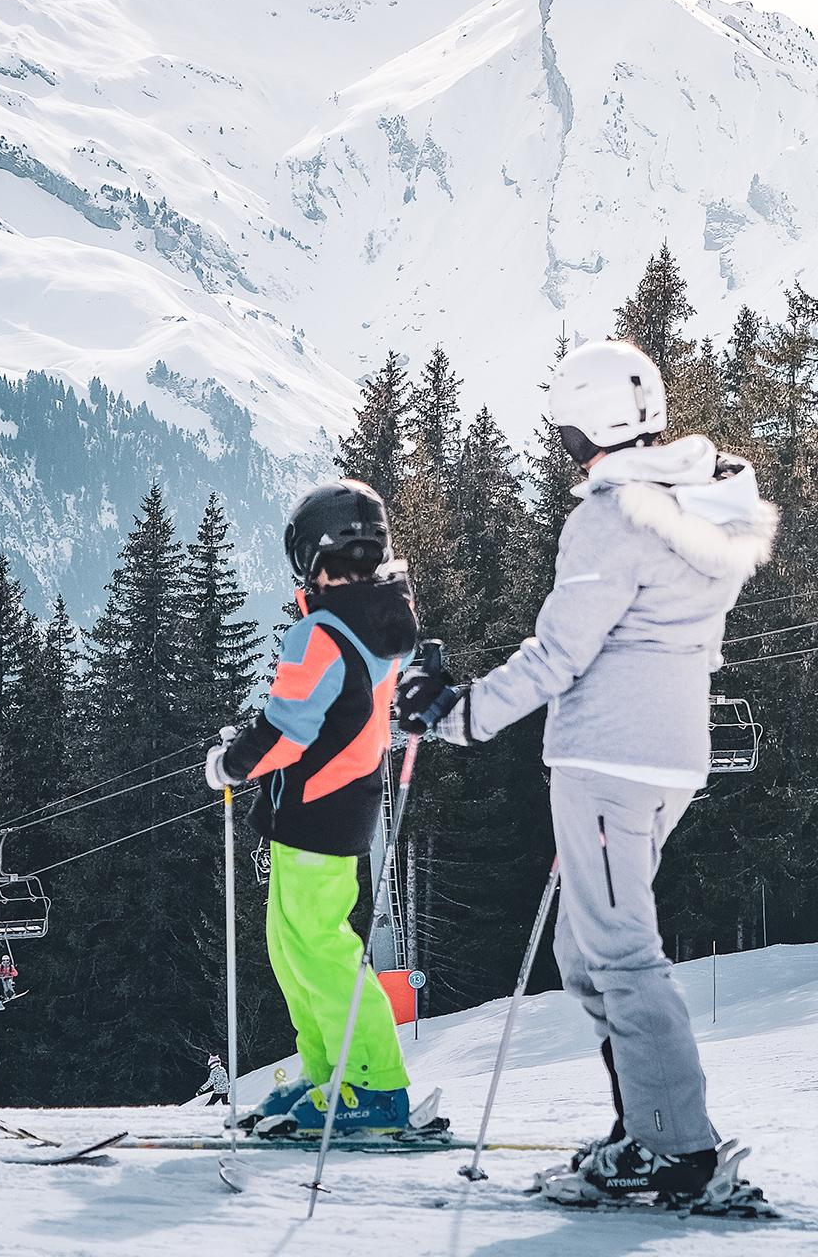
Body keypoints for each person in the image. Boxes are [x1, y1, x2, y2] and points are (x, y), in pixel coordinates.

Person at [396, 340, 777, 1204]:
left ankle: (678, 1148)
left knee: (622, 954)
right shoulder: (700, 508)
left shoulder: (613, 518)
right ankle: (646, 1127)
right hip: (667, 758)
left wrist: (455, 713)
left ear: (580, 425)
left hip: (607, 761)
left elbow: (559, 654)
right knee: (585, 946)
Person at [207, 481, 419, 1137]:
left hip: (315, 814)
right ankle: (328, 1070)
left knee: (320, 951)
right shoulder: (378, 624)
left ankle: (375, 1084)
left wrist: (231, 763)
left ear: (311, 555)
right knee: (291, 947)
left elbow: (286, 731)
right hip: (338, 808)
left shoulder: (320, 635)